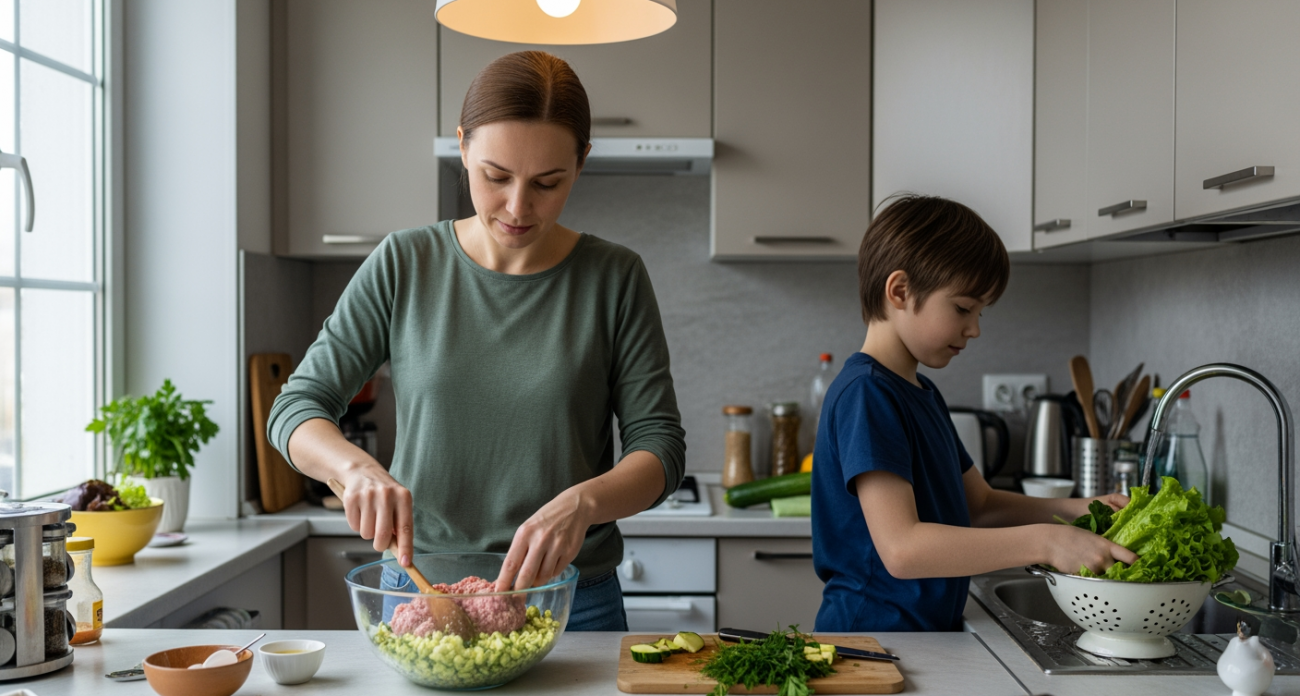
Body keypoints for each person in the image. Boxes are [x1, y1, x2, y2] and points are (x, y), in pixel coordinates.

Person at [266, 51, 686, 631]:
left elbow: (660, 447)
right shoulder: (405, 263)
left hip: (569, 600)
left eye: (547, 183)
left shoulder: (614, 278)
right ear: (463, 147)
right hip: (419, 593)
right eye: (496, 176)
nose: (518, 206)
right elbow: (296, 407)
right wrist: (355, 468)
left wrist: (584, 502)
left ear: (581, 163)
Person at [811, 194, 1136, 632]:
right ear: (900, 291)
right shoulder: (867, 394)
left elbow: (979, 506)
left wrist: (1082, 509)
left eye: (980, 312)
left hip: (916, 636)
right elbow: (902, 549)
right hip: (871, 638)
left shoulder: (921, 392)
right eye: (963, 308)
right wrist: (1047, 541)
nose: (975, 328)